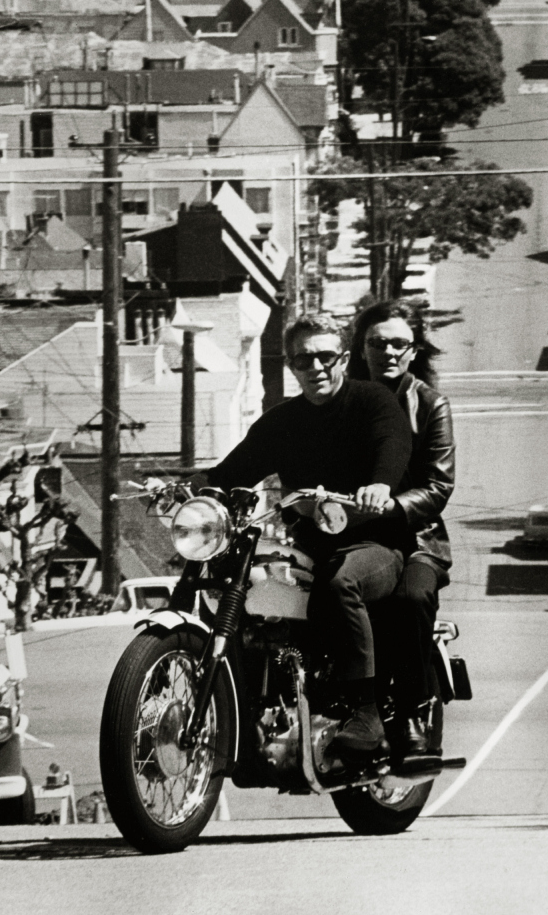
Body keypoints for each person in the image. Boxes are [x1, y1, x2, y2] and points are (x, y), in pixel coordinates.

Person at [189, 314, 413, 754]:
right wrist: (190, 491)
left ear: (344, 358)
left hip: (375, 544)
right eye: (303, 359)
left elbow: (393, 442)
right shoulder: (282, 422)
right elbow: (234, 469)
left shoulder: (372, 401)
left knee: (340, 580)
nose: (316, 367)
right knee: (252, 587)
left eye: (326, 356)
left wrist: (380, 484)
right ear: (292, 366)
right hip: (308, 546)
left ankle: (365, 713)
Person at [348, 299, 456, 755]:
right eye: (377, 343)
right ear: (361, 347)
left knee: (411, 598)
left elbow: (438, 485)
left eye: (398, 344)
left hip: (417, 540)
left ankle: (413, 709)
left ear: (414, 350)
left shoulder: (430, 405)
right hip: (350, 533)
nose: (388, 352)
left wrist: (388, 505)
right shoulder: (339, 400)